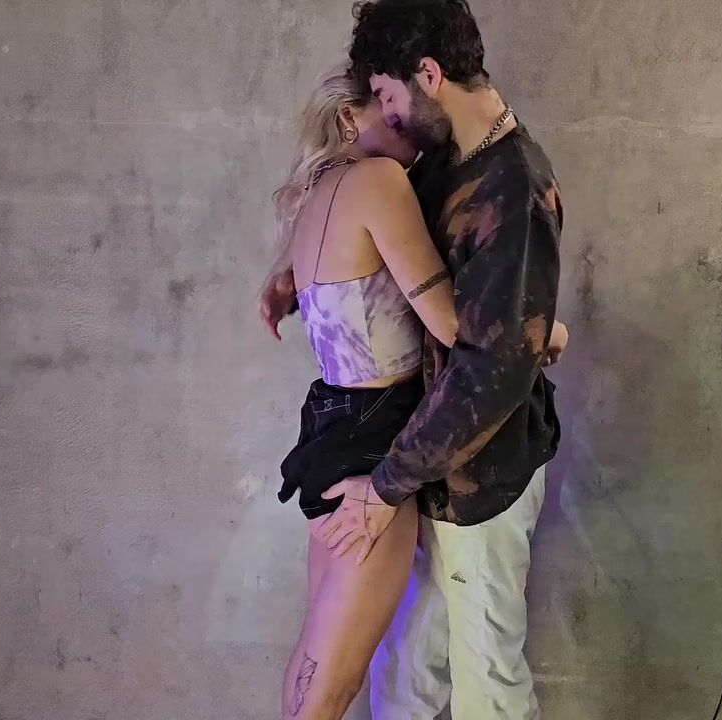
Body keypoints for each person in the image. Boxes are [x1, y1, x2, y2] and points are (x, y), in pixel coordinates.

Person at [262, 1, 566, 718]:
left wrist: (386, 484)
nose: (387, 114)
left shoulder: (511, 184)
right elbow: (391, 269)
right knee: (405, 676)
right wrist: (299, 280)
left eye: (388, 93)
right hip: (414, 466)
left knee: (486, 684)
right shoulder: (434, 161)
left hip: (478, 477)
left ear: (427, 74)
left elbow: (493, 367)